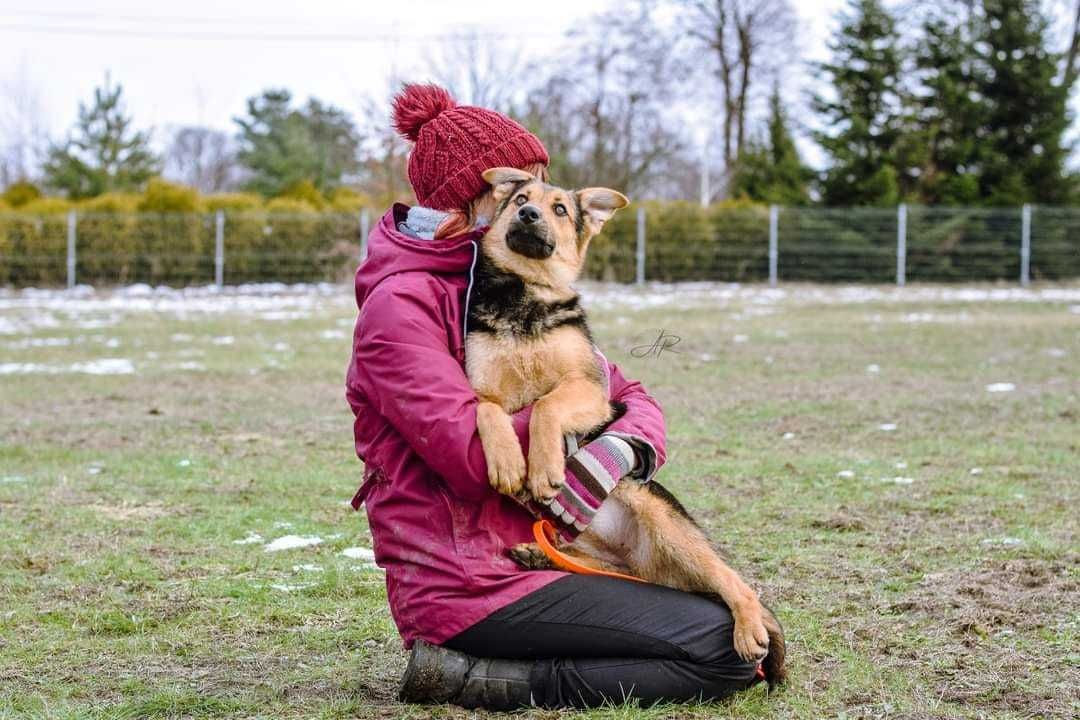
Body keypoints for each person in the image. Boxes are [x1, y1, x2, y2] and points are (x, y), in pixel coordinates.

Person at [345, 83, 762, 710]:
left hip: (548, 543)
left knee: (729, 628)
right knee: (718, 650)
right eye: (521, 190)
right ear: (479, 198)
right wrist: (558, 424)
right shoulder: (401, 307)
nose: (537, 203)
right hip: (470, 579)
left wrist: (618, 448)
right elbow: (466, 455)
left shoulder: (517, 287)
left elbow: (623, 391)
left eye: (546, 193)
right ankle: (478, 675)